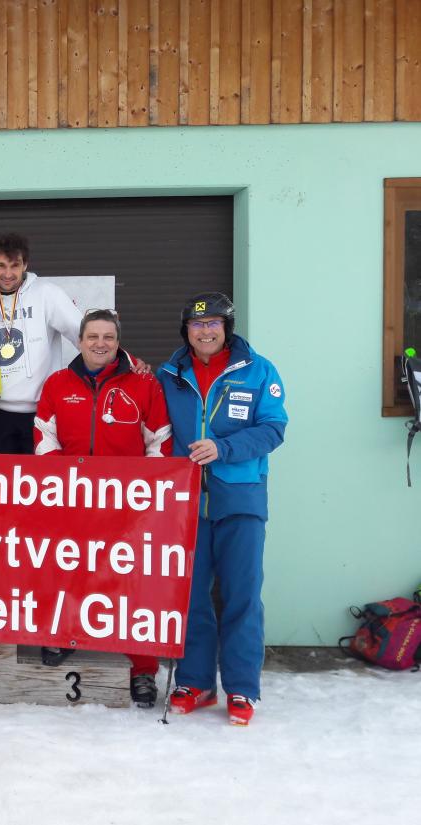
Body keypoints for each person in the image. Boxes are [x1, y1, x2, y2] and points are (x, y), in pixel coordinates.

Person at [156, 293, 287, 726]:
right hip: (187, 501)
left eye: (214, 323)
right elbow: (153, 423)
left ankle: (242, 688)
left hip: (241, 497)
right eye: (197, 325)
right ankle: (196, 682)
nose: (206, 331)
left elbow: (273, 428)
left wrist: (224, 448)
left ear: (227, 328)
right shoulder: (170, 374)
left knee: (242, 595)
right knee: (191, 596)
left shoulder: (257, 370)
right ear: (186, 332)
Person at [34, 309, 171, 707]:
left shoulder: (143, 383)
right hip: (73, 500)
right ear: (79, 341)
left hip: (126, 503)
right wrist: (70, 484)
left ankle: (143, 669)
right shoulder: (59, 383)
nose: (100, 344)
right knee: (67, 572)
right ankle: (62, 637)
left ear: (118, 341)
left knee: (132, 585)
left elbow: (159, 441)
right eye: (92, 336)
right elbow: (43, 436)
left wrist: (138, 491)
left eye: (108, 337)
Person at [0, 233, 83, 455]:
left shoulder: (47, 294)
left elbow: (85, 336)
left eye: (15, 265)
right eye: (1, 266)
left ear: (25, 265)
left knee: (40, 484)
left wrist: (126, 361)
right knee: (0, 483)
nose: (8, 274)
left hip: (42, 412)